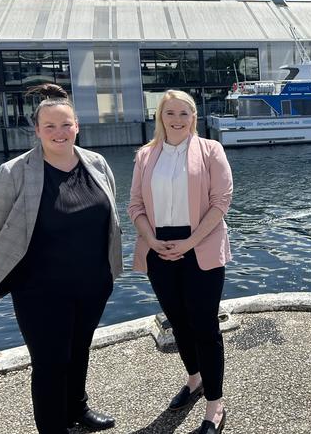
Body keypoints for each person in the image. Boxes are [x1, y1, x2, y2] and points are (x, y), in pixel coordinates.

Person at [0, 84, 123, 434]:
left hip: (92, 283)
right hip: (40, 289)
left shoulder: (96, 163)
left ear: (77, 126)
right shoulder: (15, 172)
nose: (59, 132)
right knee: (51, 363)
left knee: (80, 349)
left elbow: (109, 215)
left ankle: (76, 408)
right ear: (36, 130)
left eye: (65, 125)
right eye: (49, 126)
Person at [128, 89, 232, 434]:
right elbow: (135, 206)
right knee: (178, 322)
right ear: (160, 116)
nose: (177, 120)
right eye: (170, 113)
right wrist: (153, 240)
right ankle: (195, 379)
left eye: (184, 114)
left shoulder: (211, 150)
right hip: (158, 249)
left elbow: (221, 202)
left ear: (194, 117)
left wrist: (189, 241)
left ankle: (215, 404)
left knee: (204, 327)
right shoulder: (145, 155)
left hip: (199, 246)